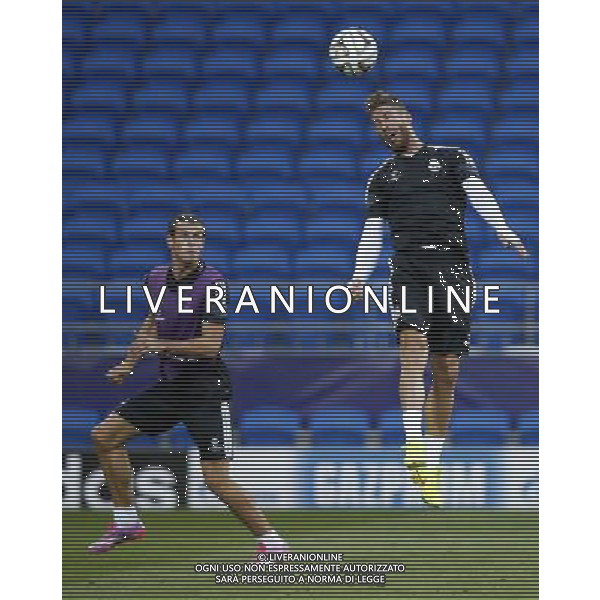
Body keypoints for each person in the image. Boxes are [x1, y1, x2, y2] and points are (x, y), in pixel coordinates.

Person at [348, 91, 528, 507]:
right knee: (412, 347)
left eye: (390, 118)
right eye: (377, 124)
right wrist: (359, 277)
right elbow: (373, 230)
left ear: (407, 116)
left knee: (446, 372)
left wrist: (502, 230)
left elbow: (479, 192)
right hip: (408, 269)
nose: (385, 128)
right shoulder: (382, 176)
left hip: (453, 271)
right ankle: (412, 445)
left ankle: (430, 460)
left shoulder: (451, 157)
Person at [87, 214, 288, 555]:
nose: (193, 242)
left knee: (216, 480)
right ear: (170, 240)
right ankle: (126, 522)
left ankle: (272, 543)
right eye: (185, 236)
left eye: (199, 237)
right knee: (104, 437)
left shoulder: (213, 283)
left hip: (206, 388)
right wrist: (129, 362)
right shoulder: (153, 279)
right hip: (171, 386)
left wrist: (160, 347)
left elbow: (211, 346)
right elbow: (150, 323)